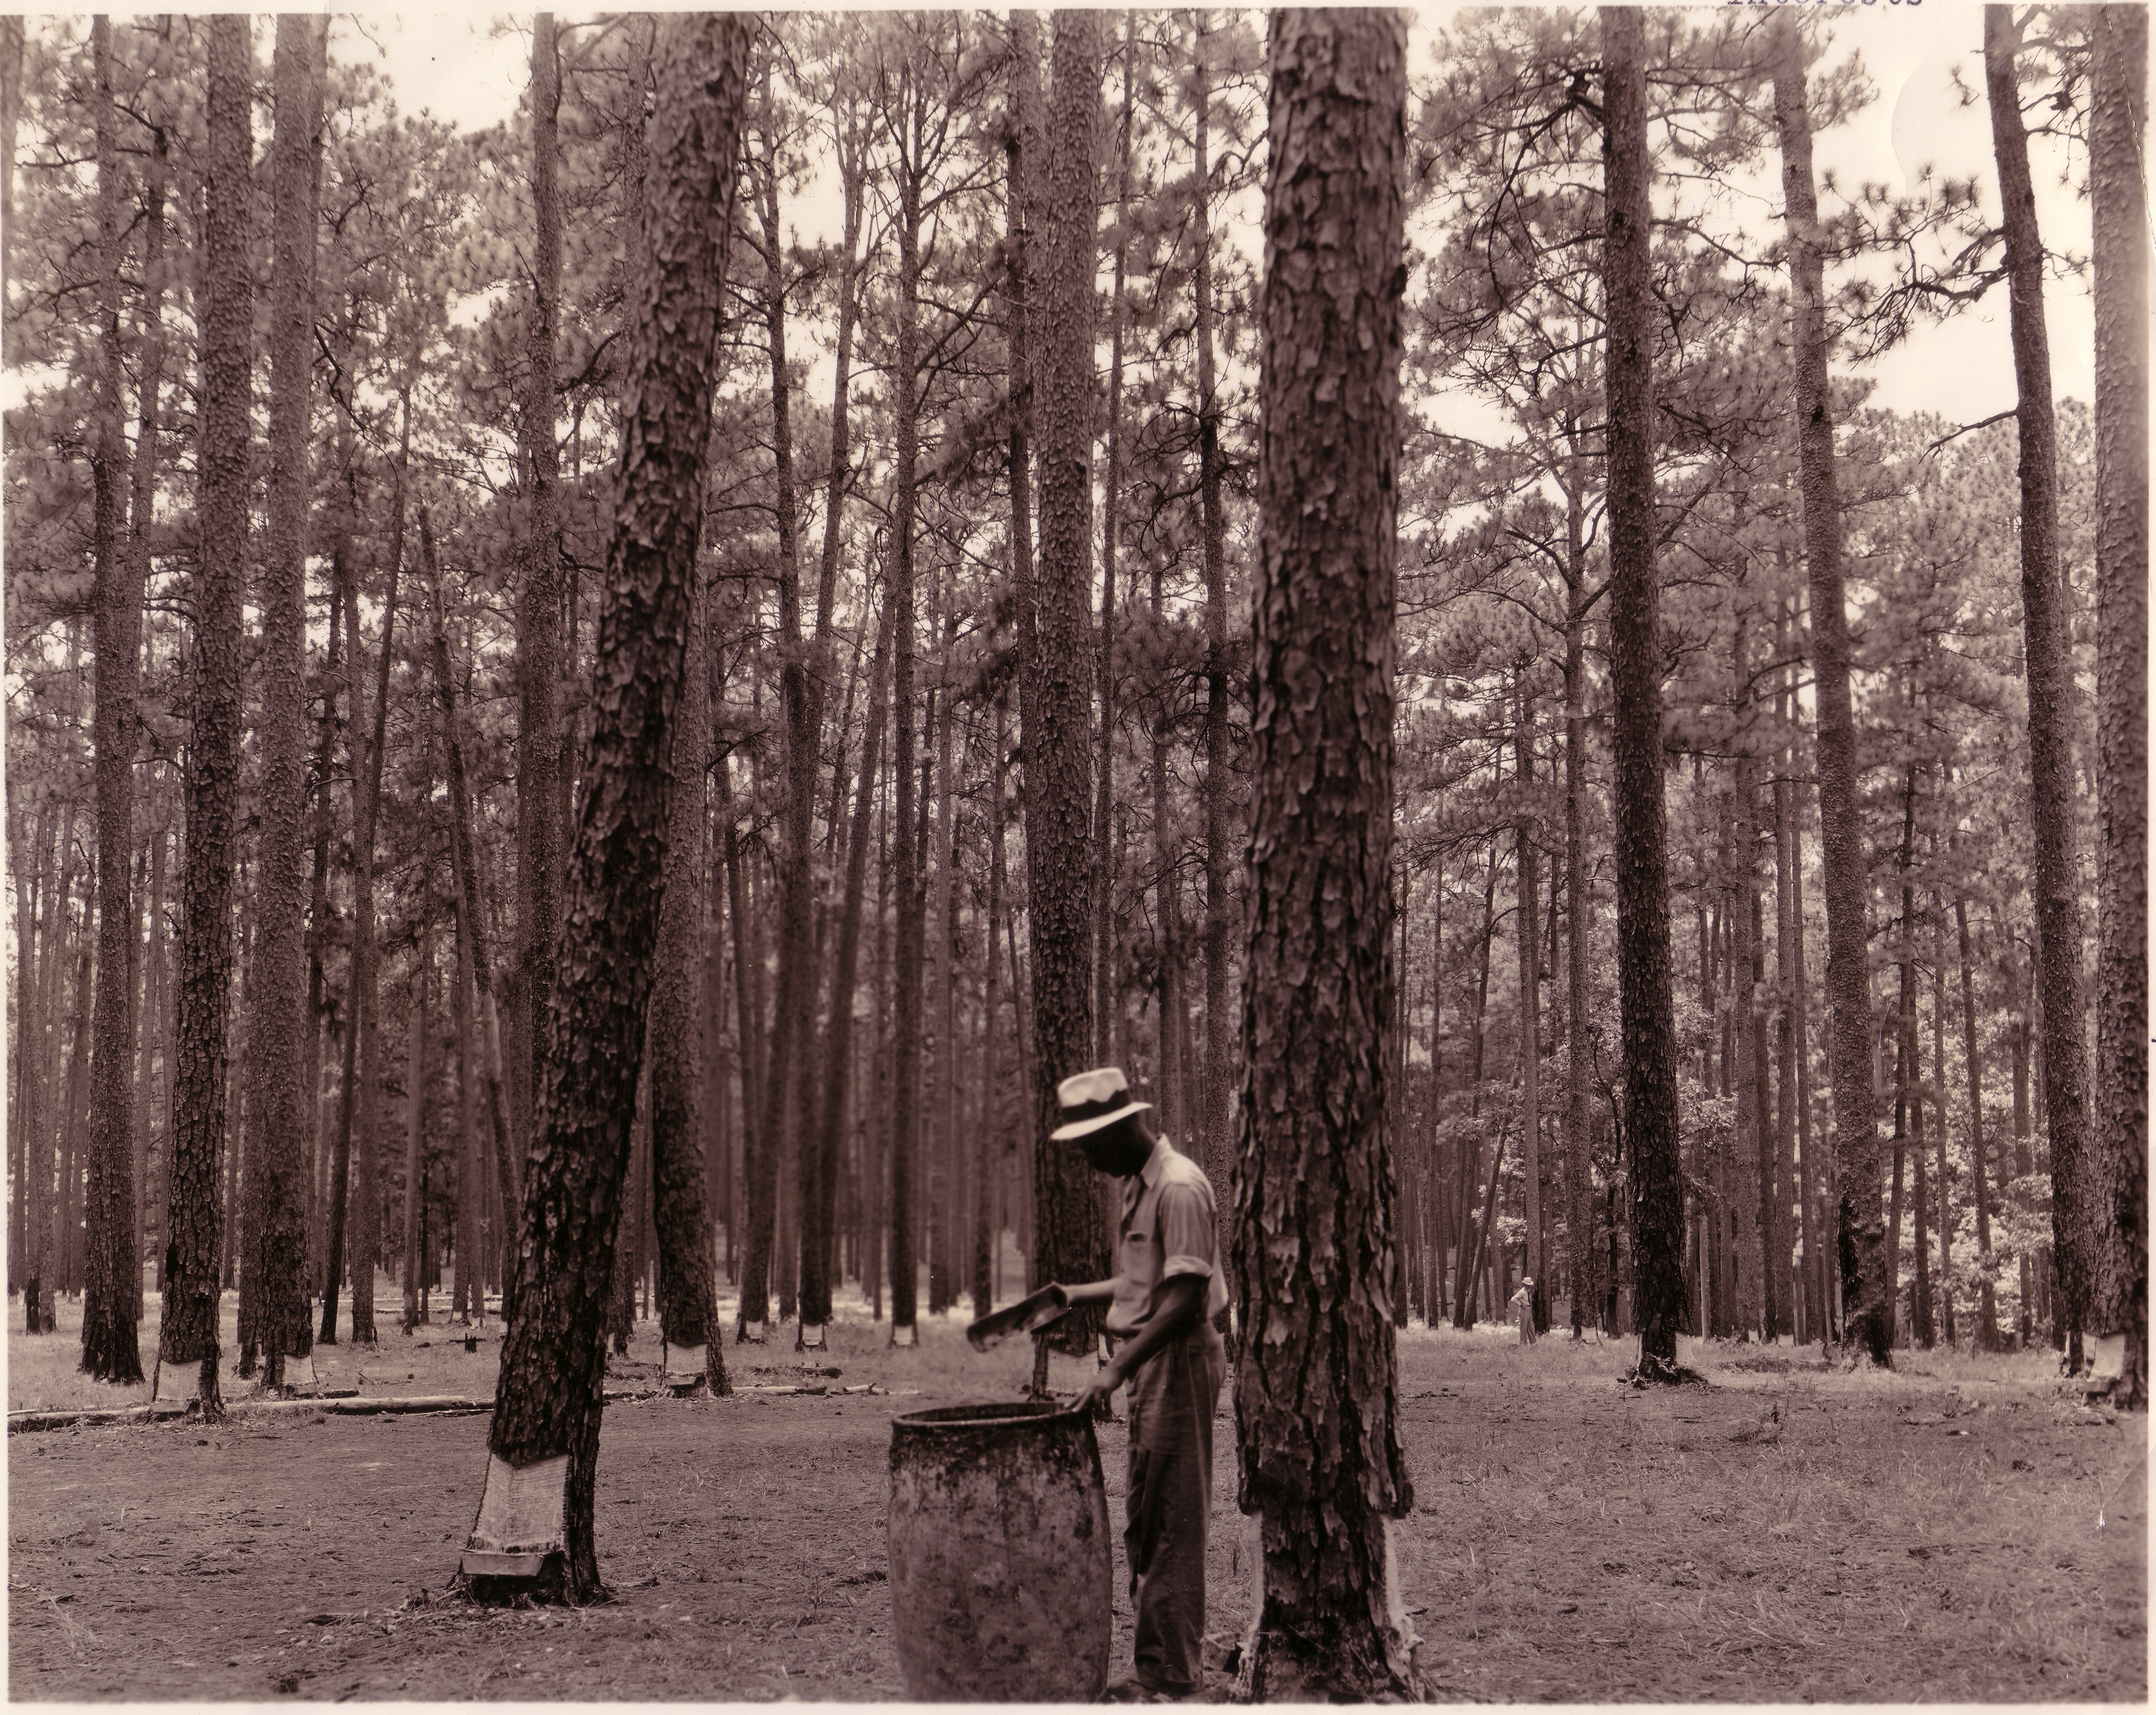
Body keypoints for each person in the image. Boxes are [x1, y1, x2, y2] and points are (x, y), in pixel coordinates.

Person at [1053, 1067, 1229, 1702]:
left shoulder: (1178, 1187)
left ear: (1126, 1126)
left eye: (1092, 1143)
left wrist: (1115, 1369)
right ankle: (1159, 1662)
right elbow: (1142, 1287)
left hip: (1176, 1358)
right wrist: (1073, 1294)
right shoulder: (1136, 1185)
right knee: (1147, 1510)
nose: (1087, 1157)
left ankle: (1172, 1679)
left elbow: (1184, 1297)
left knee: (1173, 1516)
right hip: (1151, 1360)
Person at [1509, 1274, 1538, 1346]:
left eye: (1530, 1285)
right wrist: (1520, 1304)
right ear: (1525, 1284)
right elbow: (1513, 1299)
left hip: (1528, 1310)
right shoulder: (1522, 1291)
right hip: (1524, 1311)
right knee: (1523, 1328)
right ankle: (1523, 1344)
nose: (1529, 1286)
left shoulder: (1527, 1291)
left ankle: (1534, 1343)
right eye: (1528, 1285)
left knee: (1531, 1327)